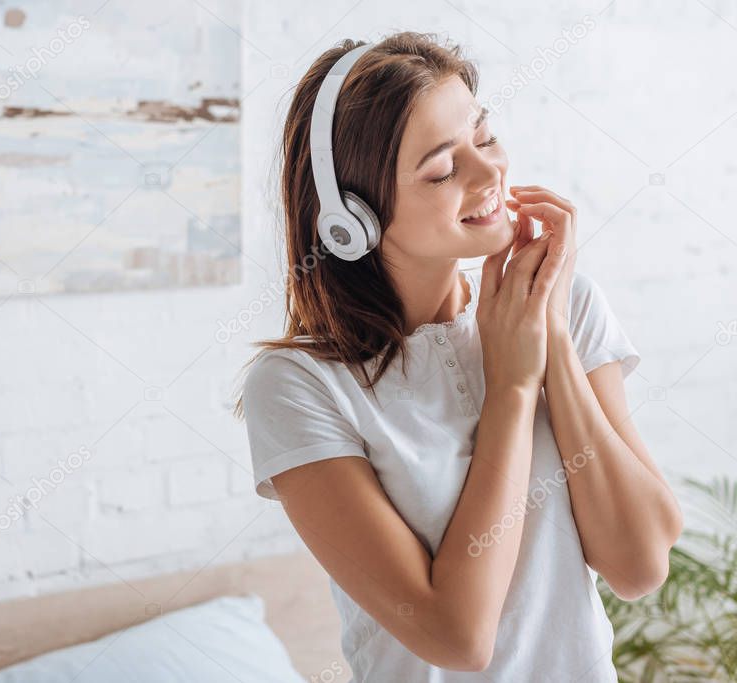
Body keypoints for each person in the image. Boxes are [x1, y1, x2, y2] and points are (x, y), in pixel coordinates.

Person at [234, 32, 683, 681]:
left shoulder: (566, 305)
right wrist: (512, 386)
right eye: (443, 169)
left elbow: (640, 565)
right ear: (350, 219)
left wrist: (548, 332)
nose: (489, 172)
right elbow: (458, 636)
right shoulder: (300, 387)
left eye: (484, 135)